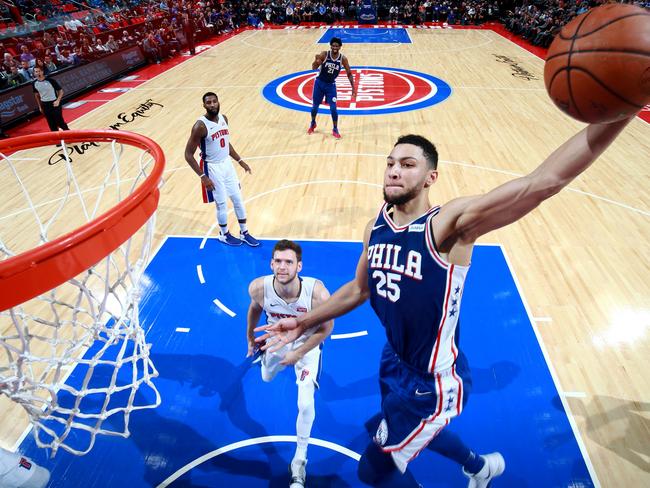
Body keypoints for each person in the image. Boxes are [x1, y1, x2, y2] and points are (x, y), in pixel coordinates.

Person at [256, 117, 635, 486]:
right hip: (394, 360)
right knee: (405, 431)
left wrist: (625, 108)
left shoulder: (449, 225)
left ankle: (473, 465)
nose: (393, 171)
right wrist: (303, 321)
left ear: (430, 178)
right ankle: (479, 467)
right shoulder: (377, 226)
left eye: (407, 165)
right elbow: (359, 289)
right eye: (389, 163)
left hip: (432, 382)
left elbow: (543, 182)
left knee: (372, 472)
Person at [246, 239, 333, 487]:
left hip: (309, 344)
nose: (282, 267)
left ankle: (299, 463)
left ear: (299, 266)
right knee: (266, 377)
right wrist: (250, 337)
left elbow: (328, 327)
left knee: (305, 403)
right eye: (278, 261)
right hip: (277, 338)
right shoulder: (258, 288)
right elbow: (254, 308)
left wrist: (299, 352)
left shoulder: (317, 293)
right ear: (271, 263)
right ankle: (266, 357)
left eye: (289, 262)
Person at [184, 92, 259, 247]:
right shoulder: (200, 126)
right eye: (208, 103)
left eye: (214, 101)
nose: (212, 105)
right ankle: (224, 234)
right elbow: (188, 155)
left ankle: (244, 232)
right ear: (204, 105)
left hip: (227, 165)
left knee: (238, 199)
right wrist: (203, 177)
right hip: (212, 167)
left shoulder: (224, 119)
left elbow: (225, 144)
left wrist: (240, 161)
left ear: (218, 102)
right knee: (222, 204)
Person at [308, 37, 356, 139]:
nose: (335, 47)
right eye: (333, 45)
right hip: (319, 83)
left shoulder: (343, 59)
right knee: (314, 107)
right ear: (331, 46)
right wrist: (316, 61)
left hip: (330, 85)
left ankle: (335, 129)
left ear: (340, 47)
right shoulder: (324, 54)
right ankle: (313, 123)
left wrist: (353, 88)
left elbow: (349, 73)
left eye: (337, 45)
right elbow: (313, 67)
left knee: (333, 108)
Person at [33, 66, 69, 132]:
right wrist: (40, 107)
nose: (38, 73)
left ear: (42, 72)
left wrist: (58, 101)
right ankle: (57, 140)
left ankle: (69, 135)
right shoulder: (34, 83)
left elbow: (60, 91)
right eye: (36, 71)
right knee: (51, 124)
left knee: (60, 122)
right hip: (45, 105)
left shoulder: (51, 81)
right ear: (34, 73)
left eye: (39, 71)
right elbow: (36, 95)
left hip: (54, 103)